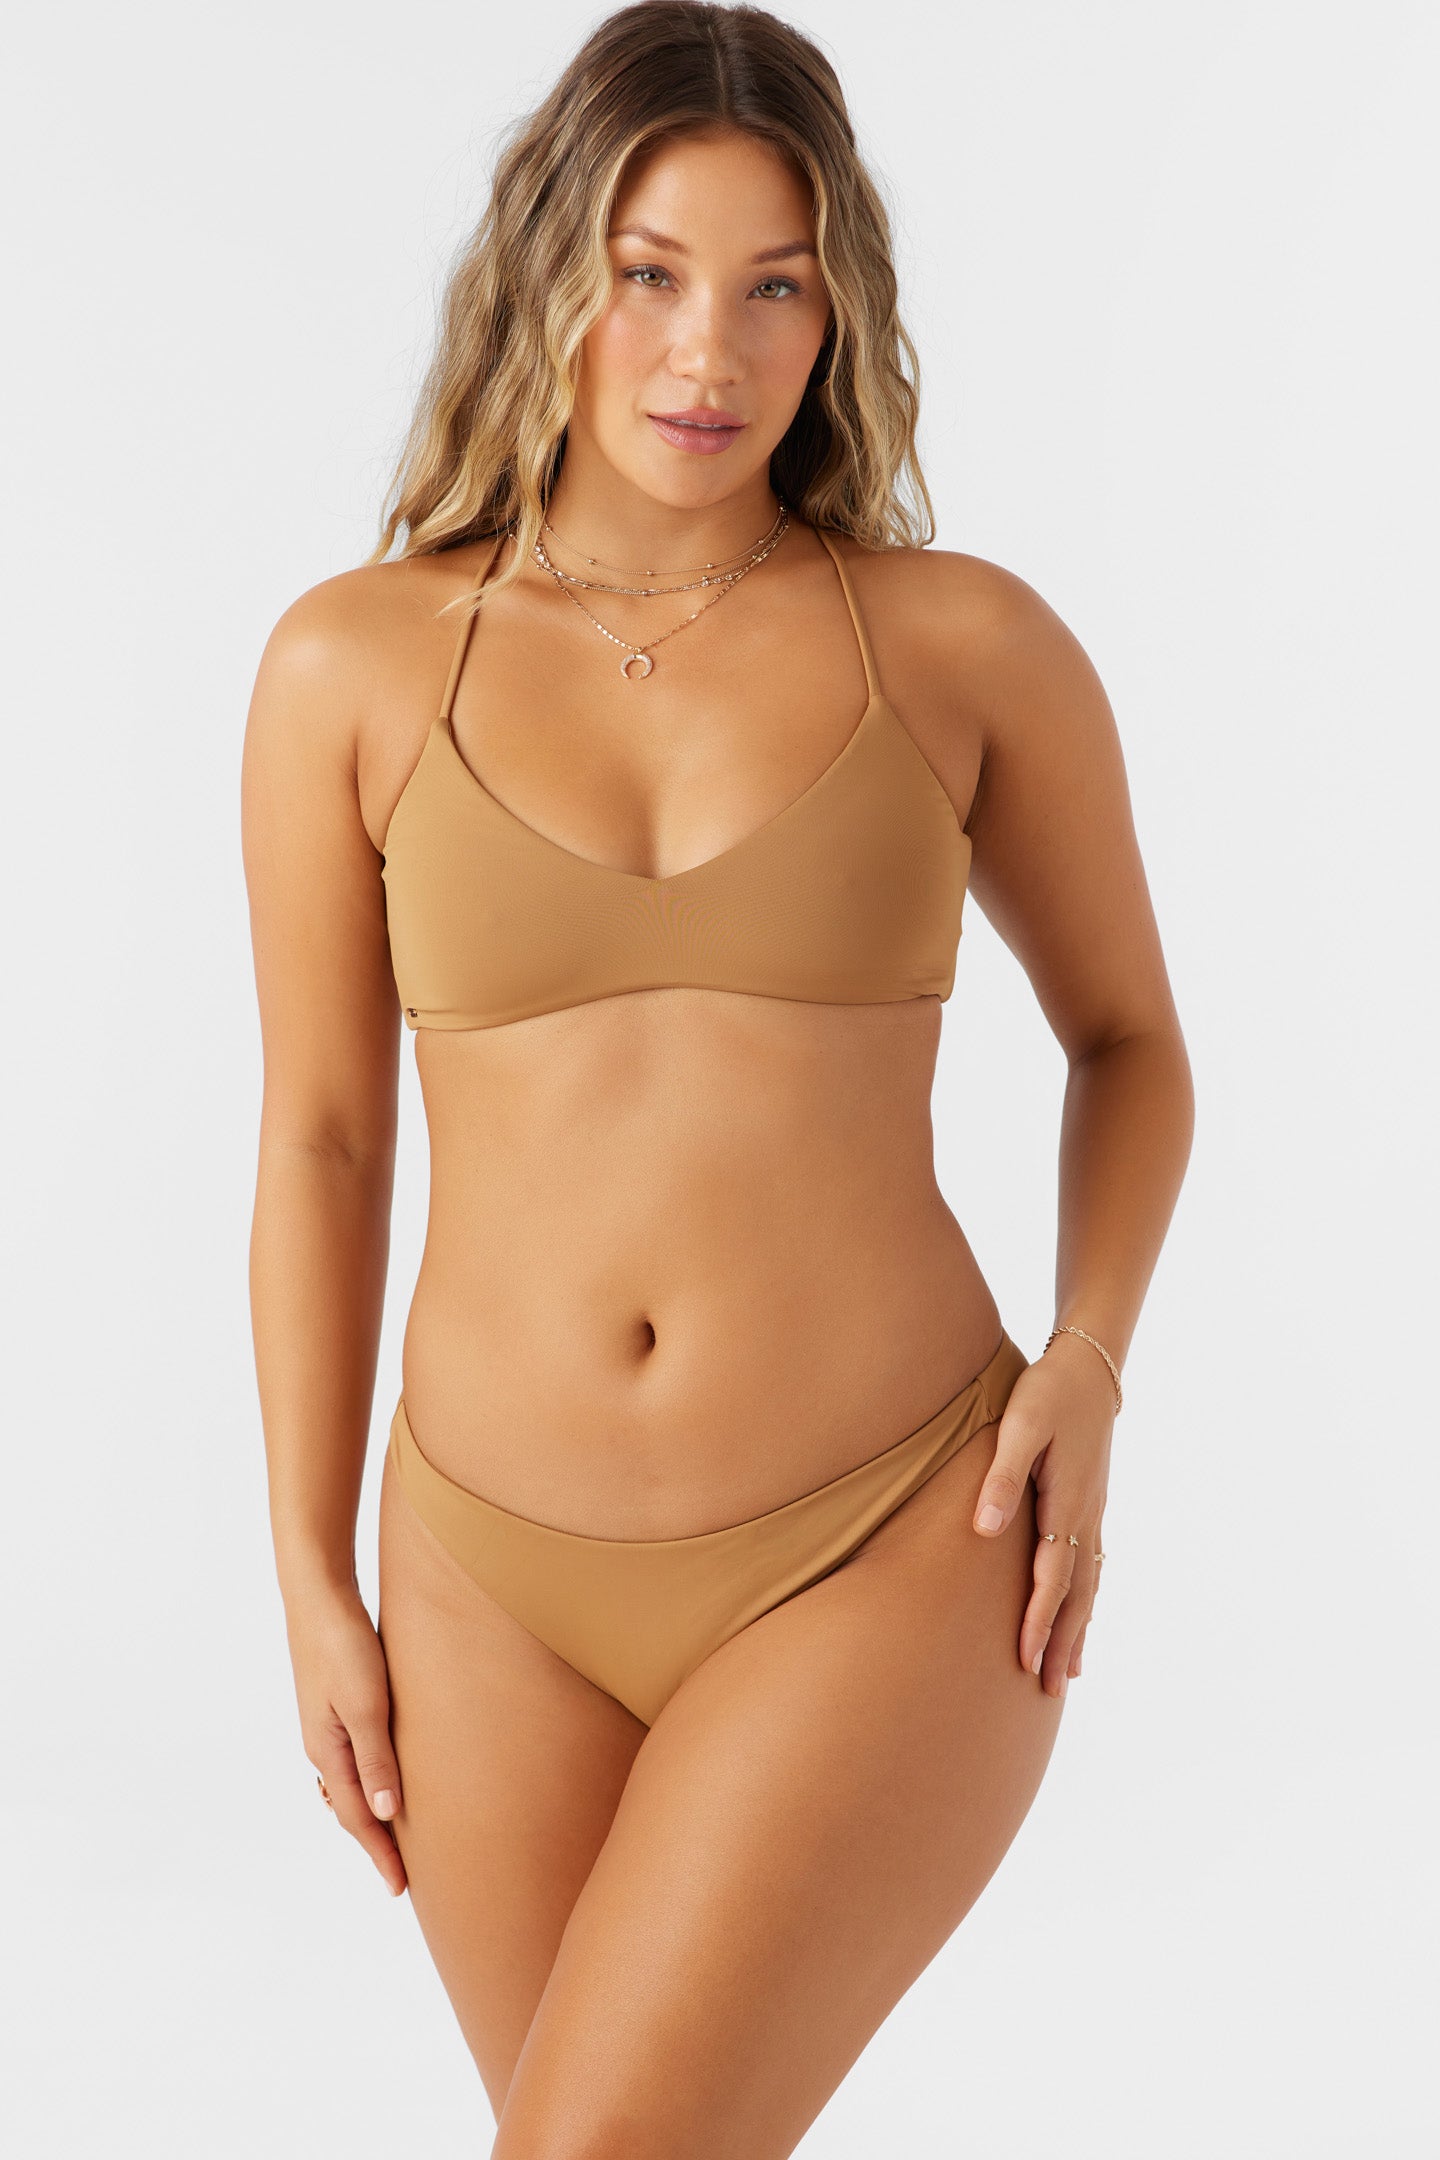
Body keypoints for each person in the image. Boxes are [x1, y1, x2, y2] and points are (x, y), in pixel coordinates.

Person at [241, 3, 1194, 2150]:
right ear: (549, 277)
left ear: (838, 310)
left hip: (892, 1532)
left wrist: (1093, 1363)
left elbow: (1132, 1043)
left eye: (776, 286)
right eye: (652, 273)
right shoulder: (352, 666)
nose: (709, 351)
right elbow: (319, 1136)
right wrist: (308, 1570)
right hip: (485, 1575)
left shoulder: (957, 644)